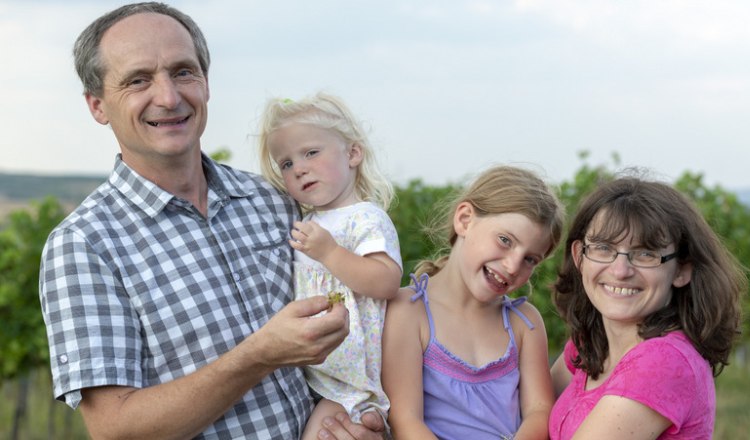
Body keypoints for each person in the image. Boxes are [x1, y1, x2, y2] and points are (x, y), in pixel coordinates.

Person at [38, 3, 384, 439]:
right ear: (98, 106)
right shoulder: (84, 244)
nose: (168, 96)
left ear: (206, 83)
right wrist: (259, 354)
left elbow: (351, 328)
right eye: (138, 80)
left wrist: (349, 422)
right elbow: (114, 428)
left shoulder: (271, 201)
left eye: (183, 72)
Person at [548, 176, 746, 439]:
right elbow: (527, 413)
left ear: (681, 270)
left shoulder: (662, 361)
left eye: (645, 254)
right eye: (604, 248)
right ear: (579, 257)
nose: (620, 271)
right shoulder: (588, 345)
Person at [382, 165, 565, 439]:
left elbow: (539, 410)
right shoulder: (409, 311)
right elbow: (405, 419)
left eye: (530, 259)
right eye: (505, 240)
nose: (513, 266)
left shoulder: (524, 322)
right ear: (465, 219)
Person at [258, 92, 402, 438]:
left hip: (351, 384)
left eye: (310, 153)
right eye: (287, 164)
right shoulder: (307, 220)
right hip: (315, 375)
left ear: (353, 153)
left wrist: (330, 253)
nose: (299, 168)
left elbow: (385, 282)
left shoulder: (365, 217)